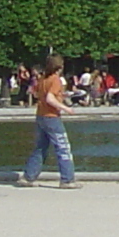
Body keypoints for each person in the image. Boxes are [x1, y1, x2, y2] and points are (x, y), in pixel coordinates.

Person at [16, 52, 78, 188]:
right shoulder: (55, 79)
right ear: (59, 66)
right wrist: (65, 108)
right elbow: (50, 98)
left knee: (40, 147)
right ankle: (67, 179)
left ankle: (28, 177)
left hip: (41, 115)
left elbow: (38, 92)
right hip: (52, 117)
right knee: (63, 148)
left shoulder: (43, 78)